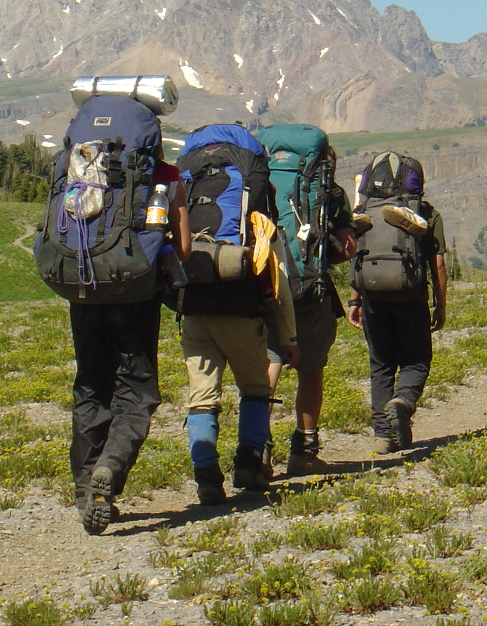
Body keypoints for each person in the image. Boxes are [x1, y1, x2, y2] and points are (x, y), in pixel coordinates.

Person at [176, 125, 300, 505]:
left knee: (202, 396)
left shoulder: (191, 198)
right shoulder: (258, 224)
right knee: (256, 390)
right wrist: (290, 339)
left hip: (195, 309)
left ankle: (206, 477)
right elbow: (278, 285)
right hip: (241, 309)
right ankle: (248, 466)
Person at [71, 150, 190, 535]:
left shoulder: (81, 164)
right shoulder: (166, 173)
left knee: (91, 384)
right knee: (136, 389)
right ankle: (111, 466)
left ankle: (85, 486)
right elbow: (184, 248)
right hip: (136, 292)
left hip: (84, 286)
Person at [346, 154, 448, 454]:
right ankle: (403, 402)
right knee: (417, 359)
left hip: (372, 298)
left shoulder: (364, 212)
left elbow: (356, 256)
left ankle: (382, 436)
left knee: (380, 364)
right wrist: (440, 305)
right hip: (411, 297)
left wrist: (354, 299)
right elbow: (438, 264)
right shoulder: (426, 214)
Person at [265, 148, 358, 476]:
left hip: (265, 284)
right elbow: (348, 247)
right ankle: (303, 453)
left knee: (270, 362)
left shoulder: (260, 179)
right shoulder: (329, 190)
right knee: (311, 370)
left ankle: (256, 450)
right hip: (308, 290)